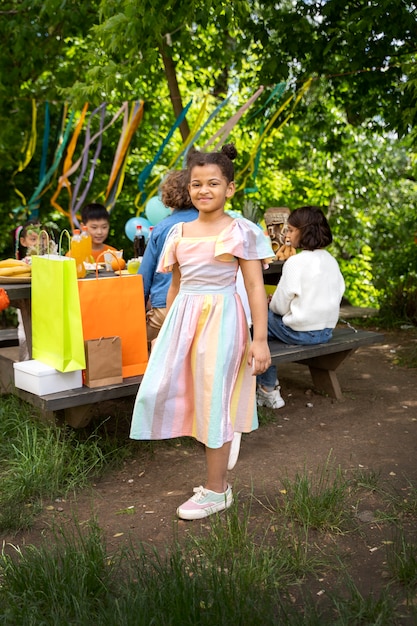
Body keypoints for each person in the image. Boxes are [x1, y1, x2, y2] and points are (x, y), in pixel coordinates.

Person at [130, 143, 275, 520]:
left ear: (230, 188)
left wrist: (259, 339)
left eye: (213, 183)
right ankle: (224, 441)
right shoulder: (178, 232)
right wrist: (163, 333)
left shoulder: (239, 231)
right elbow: (177, 286)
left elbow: (256, 287)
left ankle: (217, 489)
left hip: (223, 321)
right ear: (187, 188)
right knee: (170, 390)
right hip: (184, 321)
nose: (204, 190)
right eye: (196, 184)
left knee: (213, 399)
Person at [256, 205, 346, 409]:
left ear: (304, 232)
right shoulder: (331, 261)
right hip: (326, 331)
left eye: (291, 230)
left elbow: (278, 307)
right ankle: (267, 387)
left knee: (258, 321)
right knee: (266, 322)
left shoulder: (295, 262)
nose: (287, 235)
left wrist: (268, 304)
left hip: (301, 332)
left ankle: (267, 389)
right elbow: (338, 292)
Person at [139, 170, 198, 344]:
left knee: (139, 343)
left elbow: (143, 279)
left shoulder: (161, 228)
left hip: (165, 309)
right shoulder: (211, 225)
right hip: (204, 308)